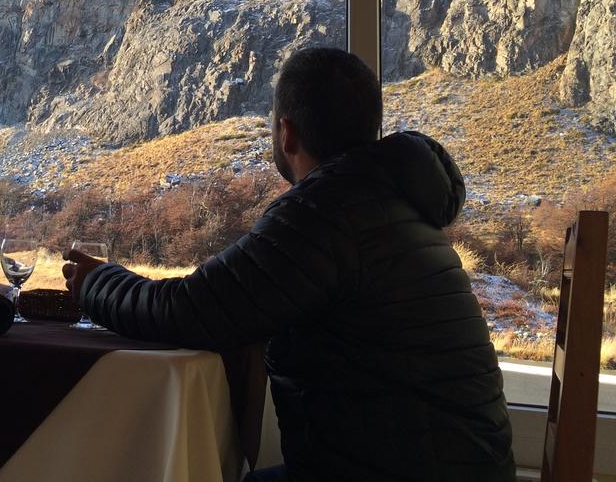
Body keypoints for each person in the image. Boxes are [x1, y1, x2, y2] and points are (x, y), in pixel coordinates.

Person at [63, 47, 515, 481]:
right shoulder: (395, 204)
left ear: (286, 133)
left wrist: (93, 282)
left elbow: (190, 310)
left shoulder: (327, 210)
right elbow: (233, 297)